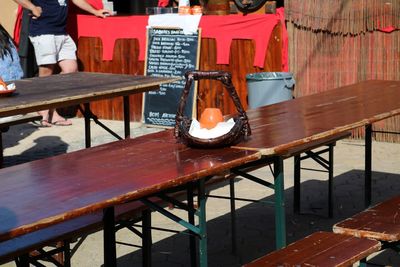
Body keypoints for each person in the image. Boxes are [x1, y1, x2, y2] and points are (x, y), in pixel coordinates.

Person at [13, 0, 111, 127]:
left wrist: (95, 11)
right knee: (46, 73)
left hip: (61, 31)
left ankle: (47, 108)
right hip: (43, 31)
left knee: (70, 70)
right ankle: (45, 111)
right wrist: (32, 7)